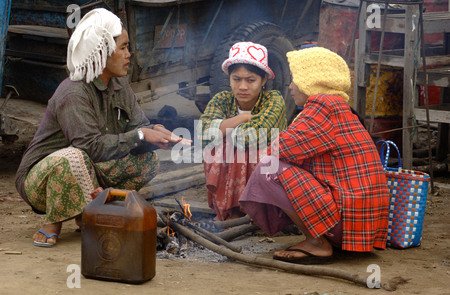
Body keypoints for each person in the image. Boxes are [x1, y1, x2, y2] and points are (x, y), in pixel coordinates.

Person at [15, 8, 190, 247]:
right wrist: (139, 134)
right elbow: (90, 147)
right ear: (102, 51)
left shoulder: (119, 84)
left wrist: (154, 135)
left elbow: (140, 127)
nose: (129, 54)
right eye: (123, 47)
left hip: (88, 168)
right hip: (41, 181)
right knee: (72, 158)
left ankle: (87, 212)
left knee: (149, 160)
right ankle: (53, 221)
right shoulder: (73, 92)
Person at [239, 47, 390, 264]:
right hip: (361, 225)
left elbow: (279, 149)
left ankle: (317, 242)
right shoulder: (338, 106)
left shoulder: (323, 106)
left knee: (268, 168)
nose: (290, 86)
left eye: (295, 79)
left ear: (312, 81)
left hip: (346, 223)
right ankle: (320, 238)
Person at [197, 42, 287, 221]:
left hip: (271, 169)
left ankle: (255, 210)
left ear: (263, 81)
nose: (243, 87)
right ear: (229, 79)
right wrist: (241, 119)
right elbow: (203, 132)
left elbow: (250, 137)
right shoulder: (222, 99)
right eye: (236, 79)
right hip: (235, 155)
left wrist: (224, 128)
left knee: (238, 145)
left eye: (251, 80)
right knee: (216, 147)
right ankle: (228, 209)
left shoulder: (274, 100)